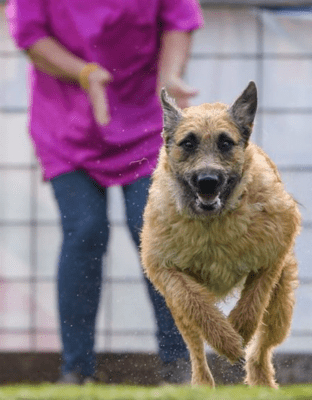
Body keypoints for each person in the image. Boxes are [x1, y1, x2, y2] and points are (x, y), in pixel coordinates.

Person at [6, 0, 203, 384]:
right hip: (66, 123)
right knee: (84, 230)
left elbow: (179, 19)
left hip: (145, 122)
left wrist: (170, 77)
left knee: (153, 234)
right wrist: (85, 73)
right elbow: (30, 36)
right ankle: (76, 372)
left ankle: (180, 370)